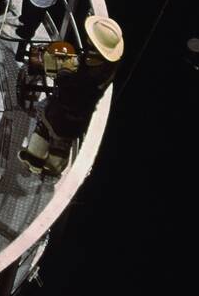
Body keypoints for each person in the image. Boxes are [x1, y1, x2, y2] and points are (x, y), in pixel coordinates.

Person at [20, 16, 123, 177]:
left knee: (55, 146)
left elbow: (70, 94)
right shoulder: (105, 66)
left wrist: (63, 72)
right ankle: (37, 161)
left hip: (64, 117)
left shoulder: (90, 77)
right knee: (50, 137)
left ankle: (48, 167)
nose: (87, 38)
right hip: (72, 117)